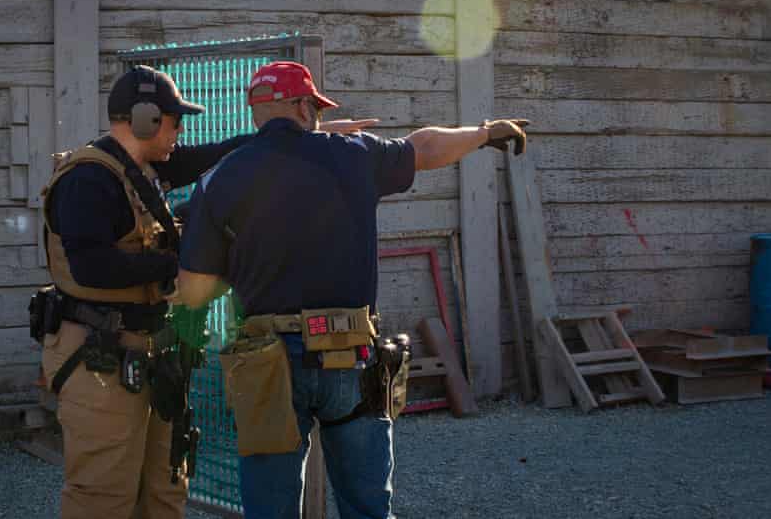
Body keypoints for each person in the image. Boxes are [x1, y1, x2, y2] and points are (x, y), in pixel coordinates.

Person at [172, 60, 528, 519]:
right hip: (350, 352)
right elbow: (424, 146)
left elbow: (195, 290)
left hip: (266, 361)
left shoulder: (220, 178)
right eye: (315, 106)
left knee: (270, 509)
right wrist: (483, 133)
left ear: (255, 110)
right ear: (302, 105)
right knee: (367, 507)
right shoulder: (353, 154)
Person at [36, 64, 375, 519]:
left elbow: (219, 154)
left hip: (151, 352)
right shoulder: (89, 180)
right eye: (176, 121)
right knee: (102, 492)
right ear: (145, 120)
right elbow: (92, 266)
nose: (181, 132)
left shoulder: (144, 167)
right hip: (99, 354)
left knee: (166, 484)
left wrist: (305, 138)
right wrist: (185, 262)